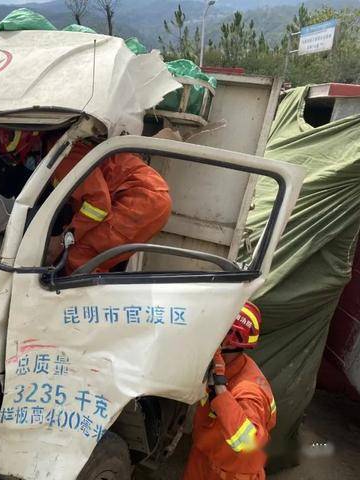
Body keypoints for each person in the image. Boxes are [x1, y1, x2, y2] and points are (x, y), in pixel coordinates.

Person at [183, 302, 277, 480]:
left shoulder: (249, 392)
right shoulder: (227, 367)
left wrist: (221, 390)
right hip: (205, 455)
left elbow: (251, 444)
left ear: (226, 342)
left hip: (231, 473)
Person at [46, 142, 172, 274]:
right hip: (149, 199)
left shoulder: (63, 156)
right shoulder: (70, 150)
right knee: (95, 259)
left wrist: (62, 241)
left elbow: (98, 204)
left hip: (143, 200)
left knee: (80, 255)